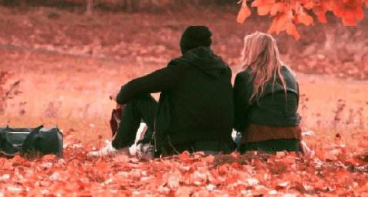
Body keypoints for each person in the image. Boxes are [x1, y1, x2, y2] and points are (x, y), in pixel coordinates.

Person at [90, 26, 235, 157]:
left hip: (181, 145)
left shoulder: (181, 69)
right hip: (220, 145)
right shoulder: (223, 70)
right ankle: (133, 144)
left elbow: (138, 86)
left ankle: (119, 147)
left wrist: (120, 96)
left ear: (184, 46)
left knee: (137, 97)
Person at [233, 32, 302, 153]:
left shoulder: (245, 77)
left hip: (258, 142)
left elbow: (238, 121)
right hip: (292, 142)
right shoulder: (290, 75)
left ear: (250, 51)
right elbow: (293, 109)